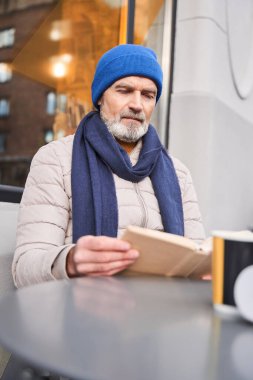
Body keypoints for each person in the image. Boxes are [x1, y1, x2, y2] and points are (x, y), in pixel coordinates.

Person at [13, 44, 205, 287]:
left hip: (163, 313)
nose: (137, 104)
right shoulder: (56, 159)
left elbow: (197, 257)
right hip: (83, 309)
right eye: (124, 90)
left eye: (148, 95)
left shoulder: (179, 174)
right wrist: (69, 261)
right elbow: (24, 269)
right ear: (101, 97)